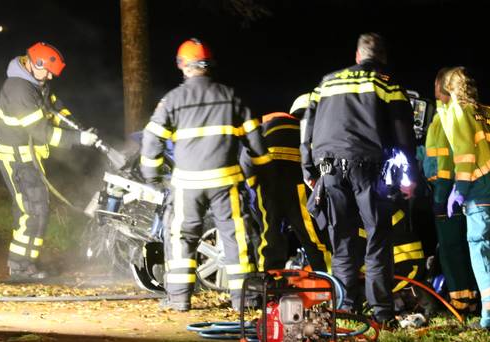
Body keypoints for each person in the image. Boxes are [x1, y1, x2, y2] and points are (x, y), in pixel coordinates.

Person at [140, 38, 269, 312]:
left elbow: (151, 140)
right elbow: (256, 142)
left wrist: (152, 175)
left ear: (183, 66)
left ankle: (179, 300)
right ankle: (244, 300)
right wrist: (256, 171)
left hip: (187, 184)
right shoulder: (231, 96)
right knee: (236, 238)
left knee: (182, 238)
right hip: (226, 182)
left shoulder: (172, 100)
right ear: (209, 66)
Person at [301, 33, 418, 326]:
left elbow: (307, 129)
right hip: (369, 167)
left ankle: (345, 308)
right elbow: (405, 136)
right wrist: (410, 176)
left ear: (357, 56)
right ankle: (382, 314)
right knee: (377, 240)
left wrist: (309, 172)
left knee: (342, 240)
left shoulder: (326, 83)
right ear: (383, 59)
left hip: (328, 167)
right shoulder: (387, 84)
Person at [0, 42, 99, 280]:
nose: (50, 76)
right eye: (48, 71)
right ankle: (19, 267)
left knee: (37, 208)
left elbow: (55, 108)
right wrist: (78, 138)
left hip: (28, 156)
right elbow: (42, 132)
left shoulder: (36, 83)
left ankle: (27, 263)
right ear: (34, 63)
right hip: (16, 158)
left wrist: (76, 125)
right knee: (31, 210)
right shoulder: (19, 90)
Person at [438, 66, 490, 331]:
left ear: (450, 88)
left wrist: (459, 190)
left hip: (478, 192)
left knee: (481, 249)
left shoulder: (458, 112)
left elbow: (465, 156)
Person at [243, 96, 331, 273]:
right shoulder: (308, 130)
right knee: (312, 237)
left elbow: (246, 159)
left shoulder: (262, 127)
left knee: (269, 235)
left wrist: (251, 188)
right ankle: (328, 281)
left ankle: (267, 285)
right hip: (297, 185)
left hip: (267, 185)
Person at [423, 68, 479, 315]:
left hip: (445, 191)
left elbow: (445, 163)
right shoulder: (451, 114)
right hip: (455, 189)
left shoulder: (445, 117)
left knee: (451, 248)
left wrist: (440, 195)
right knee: (460, 248)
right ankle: (470, 300)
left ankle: (460, 303)